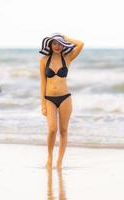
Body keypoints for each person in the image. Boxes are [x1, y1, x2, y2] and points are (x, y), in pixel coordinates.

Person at [39, 33, 84, 169]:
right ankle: (50, 157)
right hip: (49, 99)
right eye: (54, 43)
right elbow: (42, 83)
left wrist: (65, 38)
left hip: (65, 98)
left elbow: (81, 44)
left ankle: (59, 161)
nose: (57, 46)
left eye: (59, 43)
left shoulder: (68, 58)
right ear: (50, 45)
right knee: (52, 129)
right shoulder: (43, 60)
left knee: (63, 130)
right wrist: (42, 104)